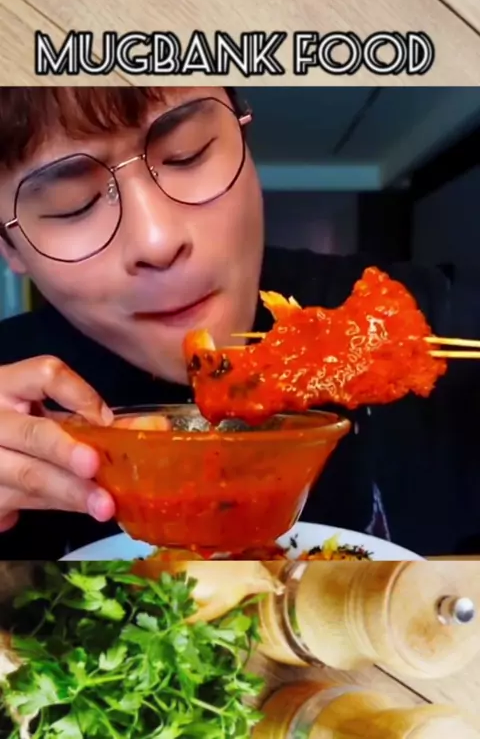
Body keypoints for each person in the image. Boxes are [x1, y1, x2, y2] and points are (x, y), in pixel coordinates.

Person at [0, 85, 478, 560]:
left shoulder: (431, 322)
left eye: (187, 153)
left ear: (245, 136)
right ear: (8, 246)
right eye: (73, 204)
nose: (158, 241)